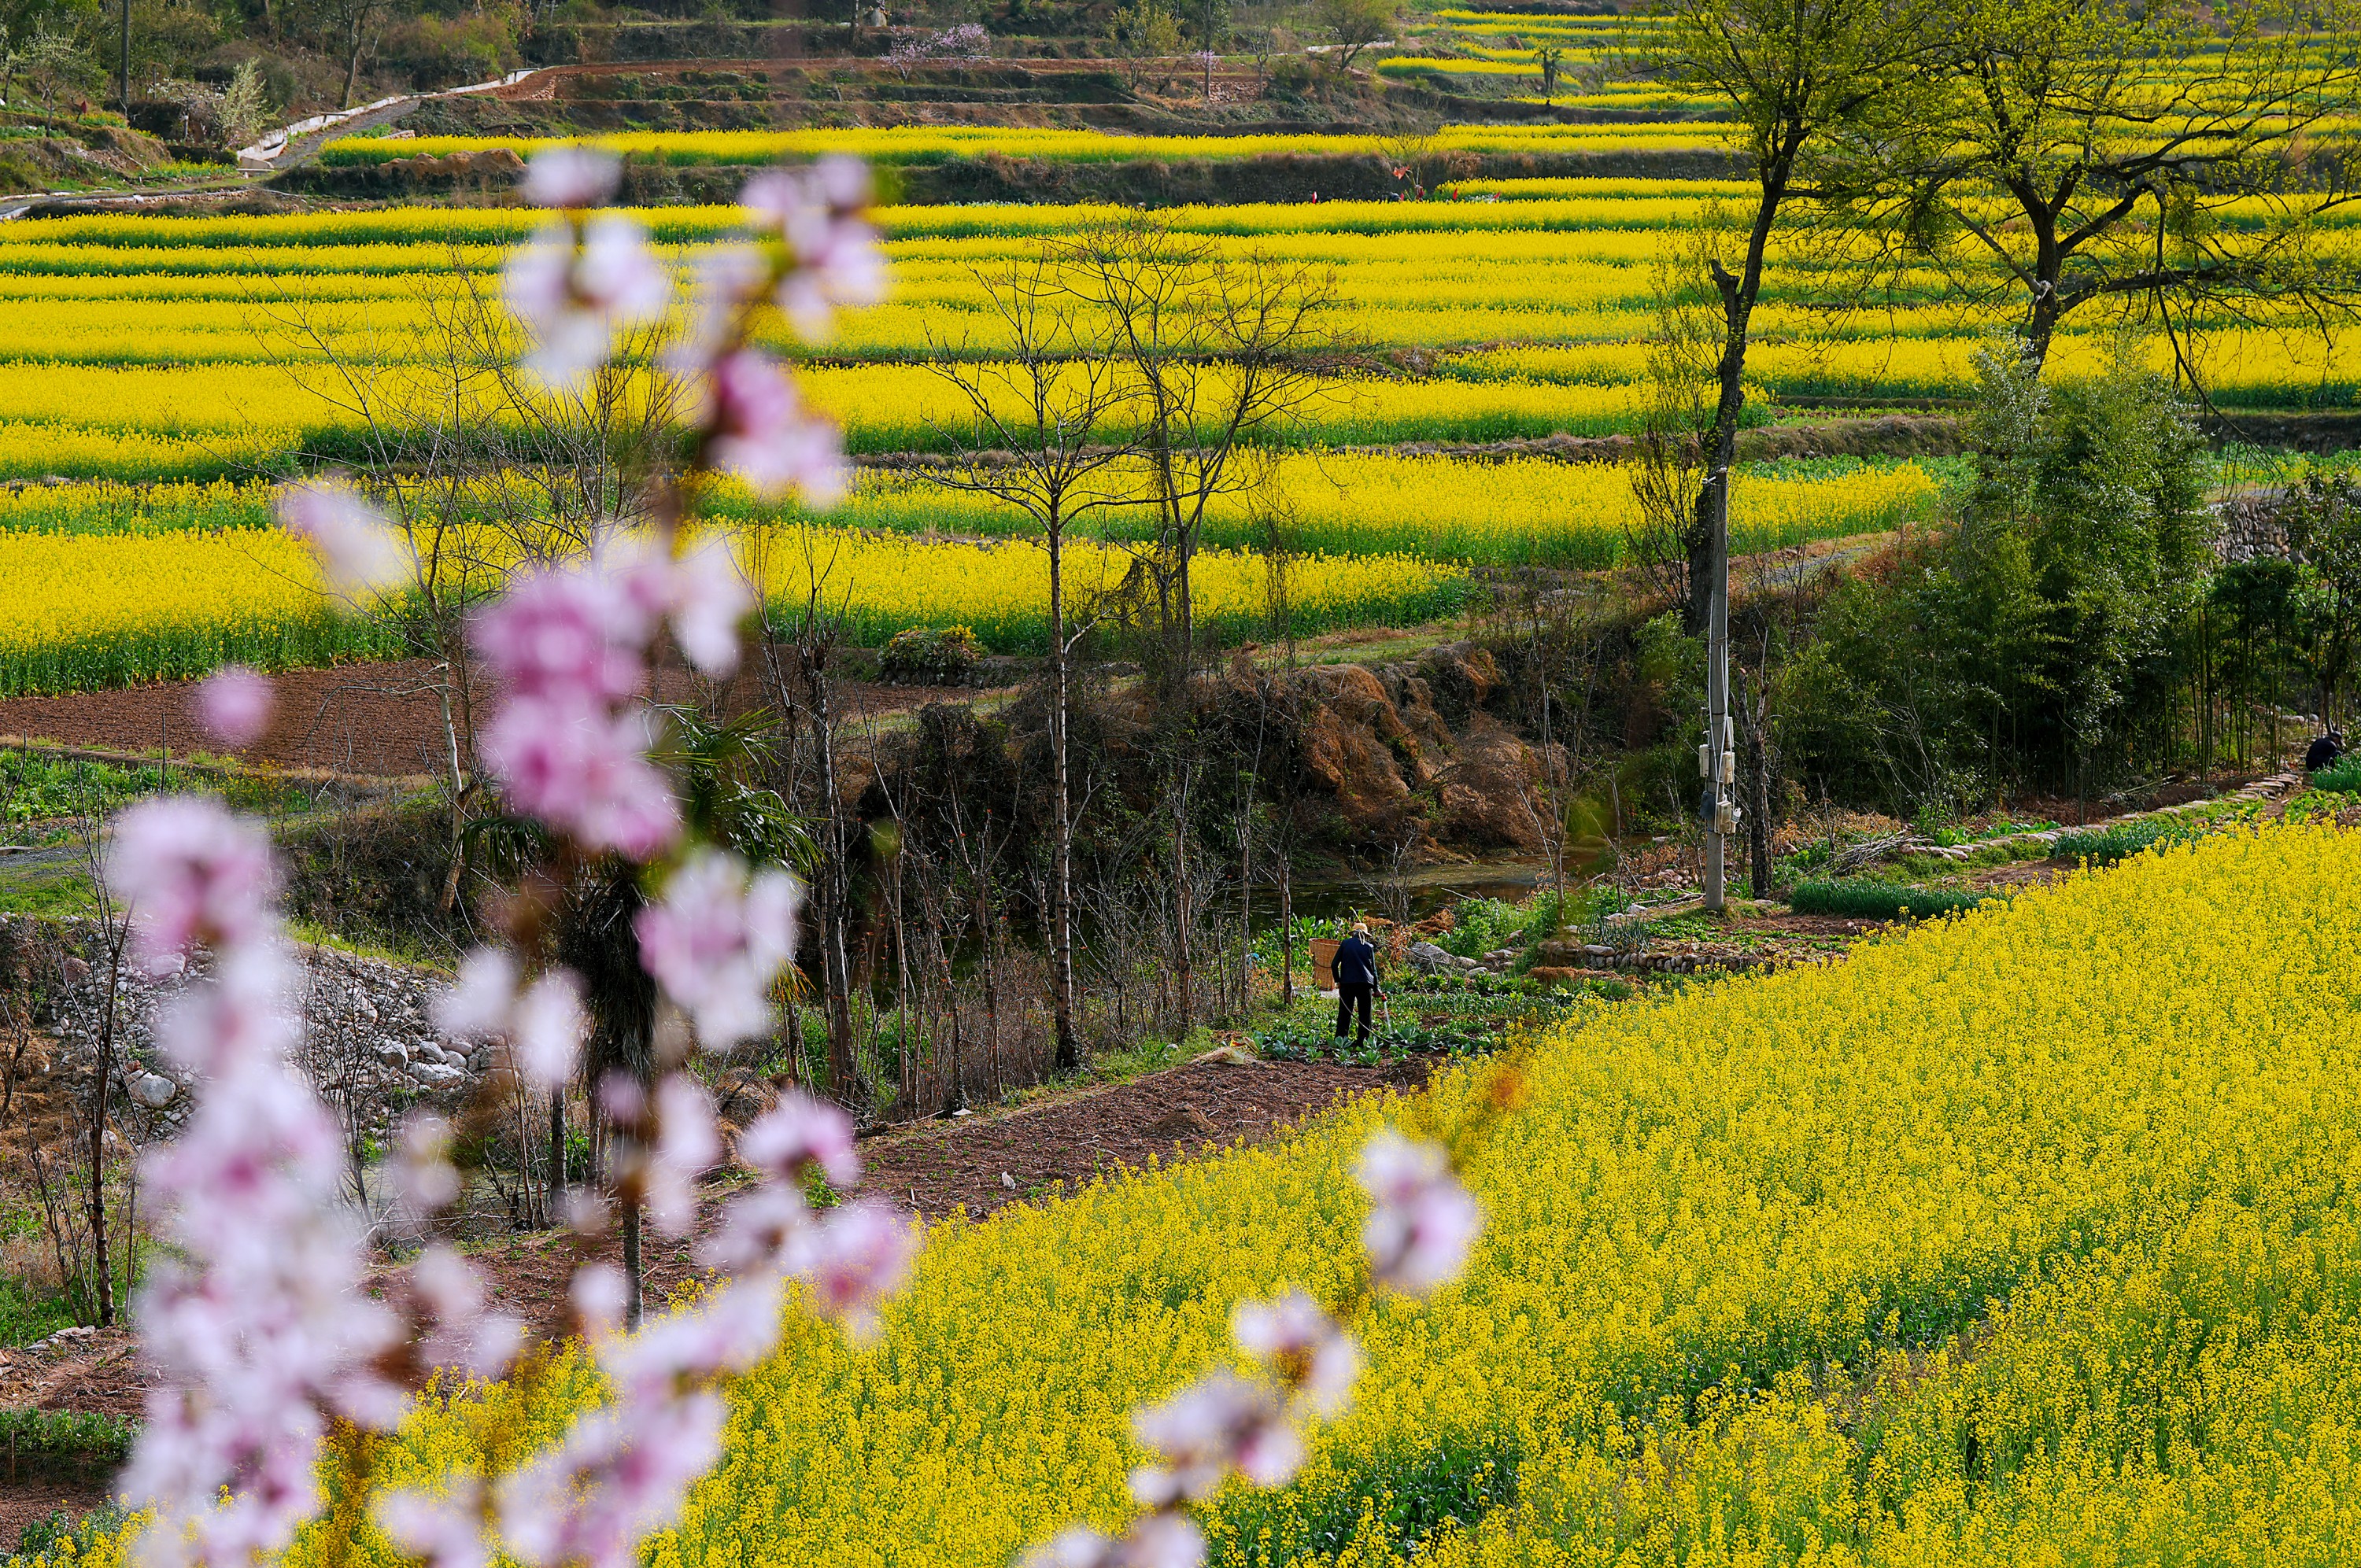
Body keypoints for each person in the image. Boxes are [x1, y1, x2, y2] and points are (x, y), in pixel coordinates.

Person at [1332, 921, 1380, 1045]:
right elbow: (1373, 970)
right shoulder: (1369, 947)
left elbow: (1334, 964)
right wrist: (1376, 988)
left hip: (1347, 983)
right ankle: (1363, 1042)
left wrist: (1338, 981)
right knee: (1365, 1014)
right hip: (1365, 984)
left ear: (1353, 934)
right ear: (1365, 935)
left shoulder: (1345, 944)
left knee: (1345, 1013)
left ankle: (1341, 1041)